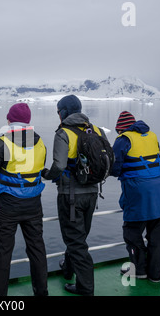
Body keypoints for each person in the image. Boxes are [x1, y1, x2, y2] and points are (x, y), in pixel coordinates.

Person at [43, 94, 108, 296]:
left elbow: (59, 165)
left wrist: (47, 174)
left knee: (76, 242)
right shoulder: (96, 130)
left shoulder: (63, 133)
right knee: (79, 238)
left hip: (70, 195)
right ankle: (68, 269)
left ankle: (85, 287)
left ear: (63, 112)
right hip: (92, 193)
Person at [0, 102, 48, 296]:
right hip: (34, 203)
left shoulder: (3, 141)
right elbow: (40, 167)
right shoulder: (40, 142)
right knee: (36, 248)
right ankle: (42, 292)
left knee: (3, 251)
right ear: (28, 121)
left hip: (8, 205)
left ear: (10, 119)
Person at [110, 111, 160, 282]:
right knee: (158, 234)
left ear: (121, 128)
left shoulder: (124, 139)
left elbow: (115, 166)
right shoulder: (152, 135)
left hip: (139, 190)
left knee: (132, 233)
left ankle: (138, 270)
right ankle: (155, 275)